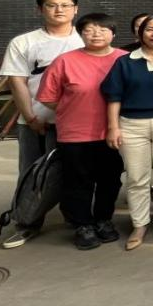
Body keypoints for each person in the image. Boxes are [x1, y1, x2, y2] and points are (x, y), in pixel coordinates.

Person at [0, 0, 83, 248]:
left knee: (74, 173)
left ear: (75, 9)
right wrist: (30, 116)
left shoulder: (85, 40)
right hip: (35, 122)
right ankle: (27, 223)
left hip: (76, 125)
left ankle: (76, 220)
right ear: (40, 9)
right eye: (51, 5)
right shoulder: (24, 42)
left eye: (65, 5)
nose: (59, 10)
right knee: (31, 173)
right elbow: (17, 81)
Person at [36, 13, 125, 250]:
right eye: (89, 30)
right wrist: (73, 108)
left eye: (103, 29)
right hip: (75, 133)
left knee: (110, 180)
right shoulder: (65, 61)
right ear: (80, 33)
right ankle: (82, 225)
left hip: (115, 132)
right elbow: (48, 97)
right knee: (77, 181)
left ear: (113, 34)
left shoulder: (124, 59)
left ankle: (103, 219)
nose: (96, 34)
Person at [102, 14, 153, 250]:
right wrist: (113, 127)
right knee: (136, 177)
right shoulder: (125, 62)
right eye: (150, 29)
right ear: (140, 33)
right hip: (131, 124)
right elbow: (114, 96)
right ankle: (139, 223)